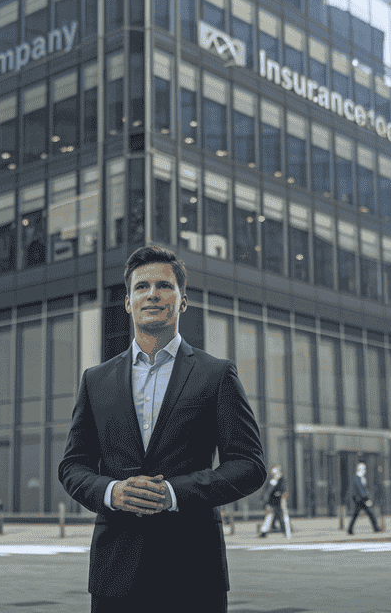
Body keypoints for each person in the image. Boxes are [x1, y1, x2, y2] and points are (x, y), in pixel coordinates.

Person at [58, 246, 266, 613]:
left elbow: (249, 465)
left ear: (182, 301)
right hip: (114, 574)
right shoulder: (95, 380)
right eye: (141, 287)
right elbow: (73, 466)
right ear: (128, 302)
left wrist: (173, 493)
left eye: (163, 285)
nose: (152, 294)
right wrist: (111, 491)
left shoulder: (216, 375)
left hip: (193, 572)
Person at [347, 462, 381, 535]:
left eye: (364, 469)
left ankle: (350, 529)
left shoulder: (361, 478)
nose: (364, 470)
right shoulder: (357, 478)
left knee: (358, 514)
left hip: (360, 499)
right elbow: (360, 489)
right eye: (362, 469)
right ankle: (376, 528)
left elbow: (363, 488)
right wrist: (366, 499)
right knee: (369, 513)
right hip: (360, 499)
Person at [258, 465, 287, 538]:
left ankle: (285, 531)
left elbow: (283, 490)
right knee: (271, 516)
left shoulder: (281, 480)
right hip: (271, 502)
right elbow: (267, 490)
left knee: (277, 517)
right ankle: (264, 532)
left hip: (278, 502)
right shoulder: (271, 480)